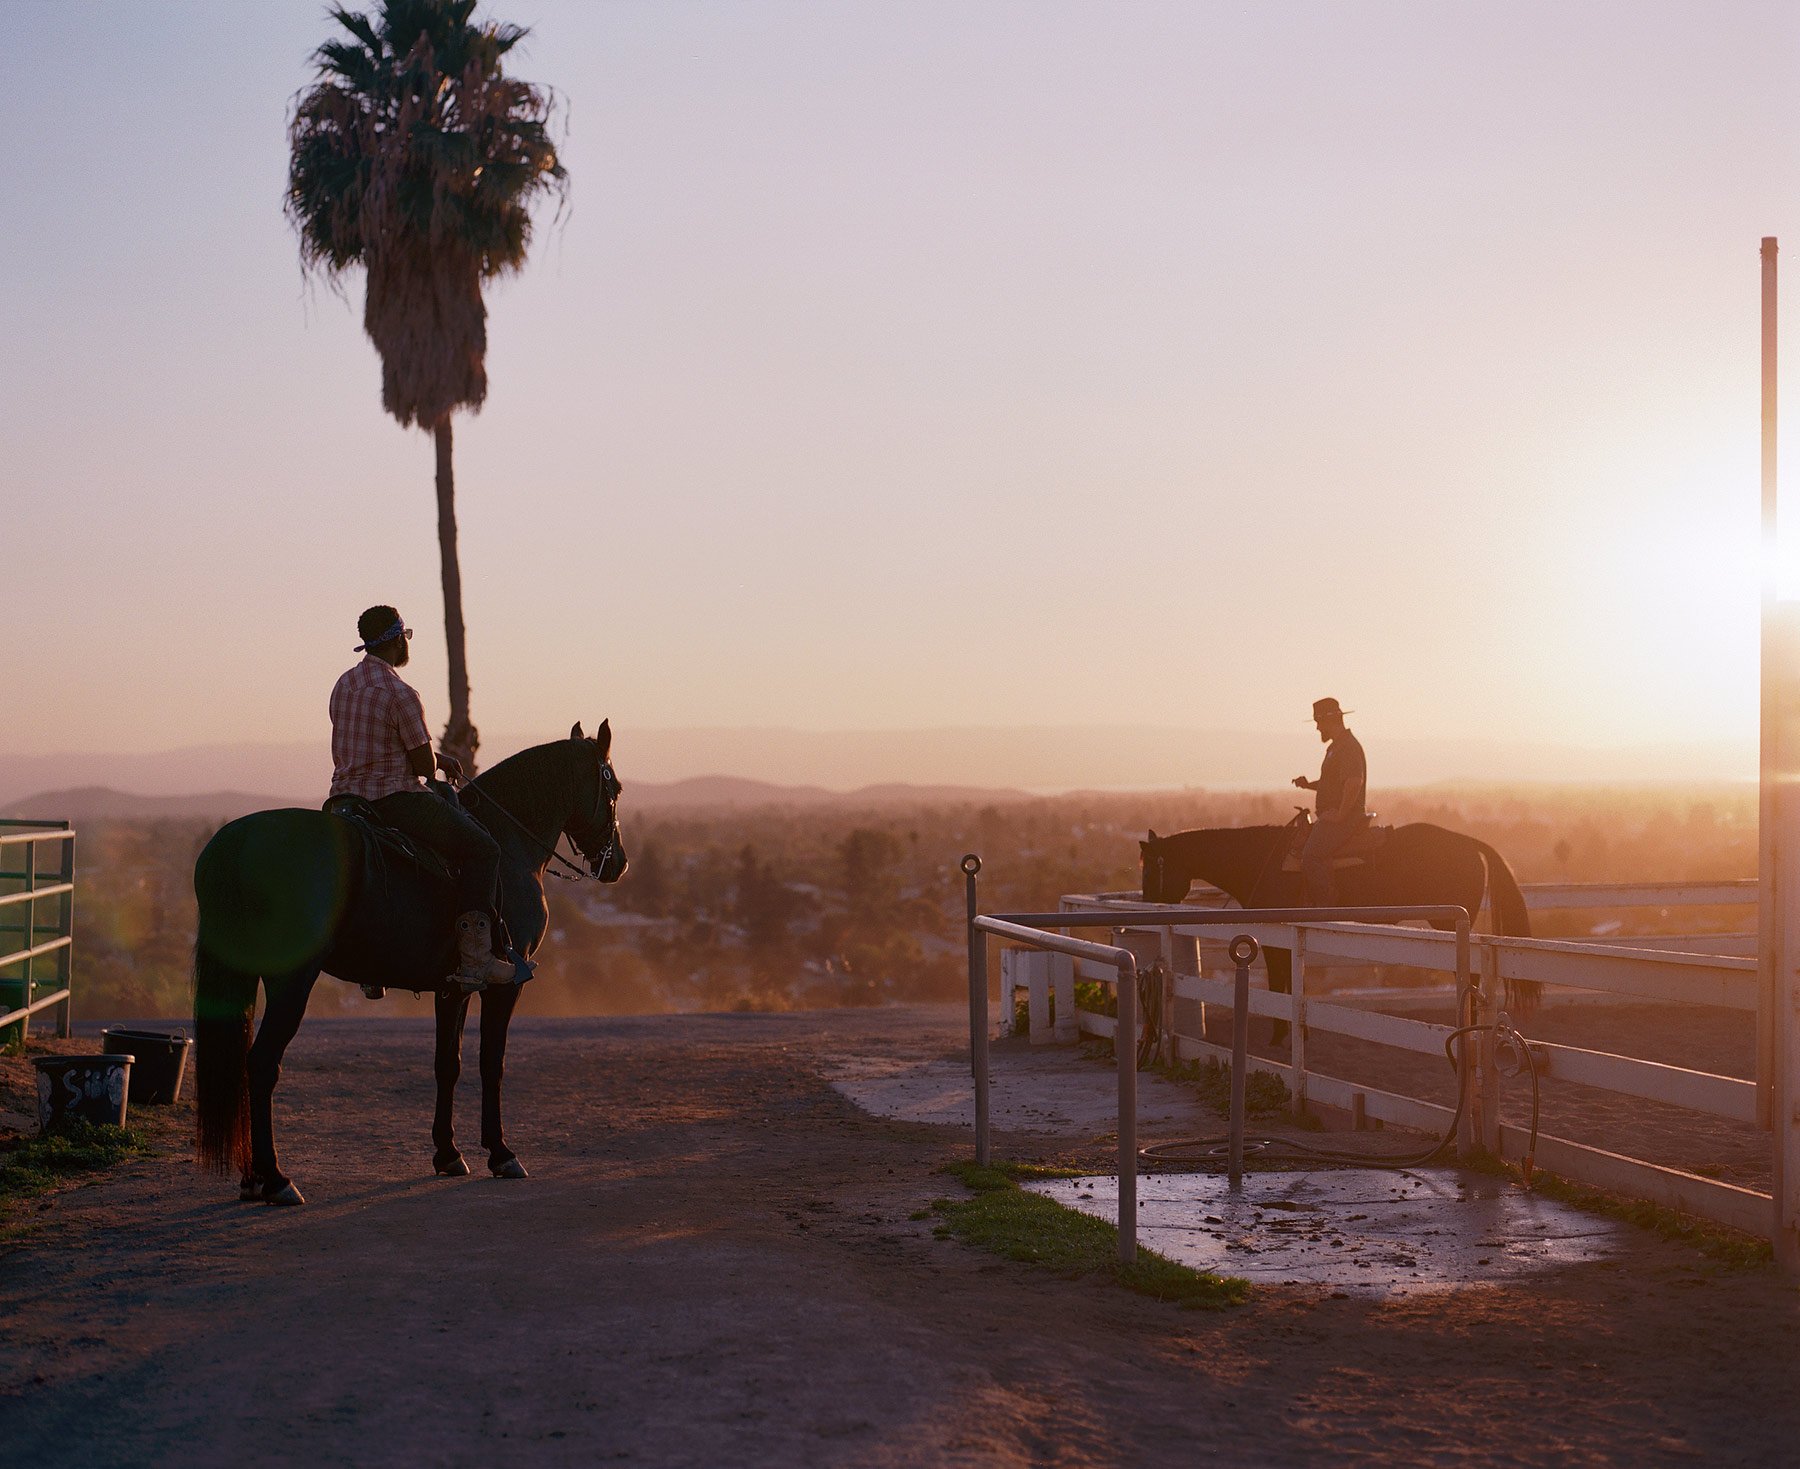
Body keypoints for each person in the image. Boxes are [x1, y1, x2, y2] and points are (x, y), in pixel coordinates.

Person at [329, 605, 516, 986]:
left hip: (343, 802)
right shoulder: (401, 692)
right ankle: (476, 958)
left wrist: (439, 755)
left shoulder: (344, 685)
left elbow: (376, 746)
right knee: (484, 850)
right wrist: (437, 761)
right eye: (406, 637)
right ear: (398, 640)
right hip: (394, 800)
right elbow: (423, 768)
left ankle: (371, 966)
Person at [1291, 697, 1369, 905]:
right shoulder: (1337, 747)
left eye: (1318, 723)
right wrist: (1308, 785)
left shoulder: (1347, 747)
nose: (1317, 728)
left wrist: (1341, 814)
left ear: (1330, 721)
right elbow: (1333, 783)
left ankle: (1327, 907)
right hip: (1335, 815)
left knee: (1310, 857)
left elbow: (1353, 782)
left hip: (1345, 818)